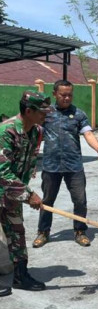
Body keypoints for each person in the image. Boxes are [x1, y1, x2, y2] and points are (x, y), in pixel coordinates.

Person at [32, 80, 98, 248]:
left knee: (80, 201)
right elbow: (34, 135)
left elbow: (87, 133)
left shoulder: (78, 114)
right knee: (47, 201)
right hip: (51, 166)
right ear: (54, 94)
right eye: (63, 95)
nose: (67, 98)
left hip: (74, 166)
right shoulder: (46, 114)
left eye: (69, 95)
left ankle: (80, 231)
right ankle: (43, 232)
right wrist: (30, 160)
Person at [0, 91, 52, 294]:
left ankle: (20, 276)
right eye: (42, 112)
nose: (45, 115)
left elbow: (27, 163)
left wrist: (23, 192)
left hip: (11, 193)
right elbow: (1, 170)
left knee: (16, 233)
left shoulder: (36, 131)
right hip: (7, 187)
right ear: (28, 111)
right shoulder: (6, 131)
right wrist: (28, 194)